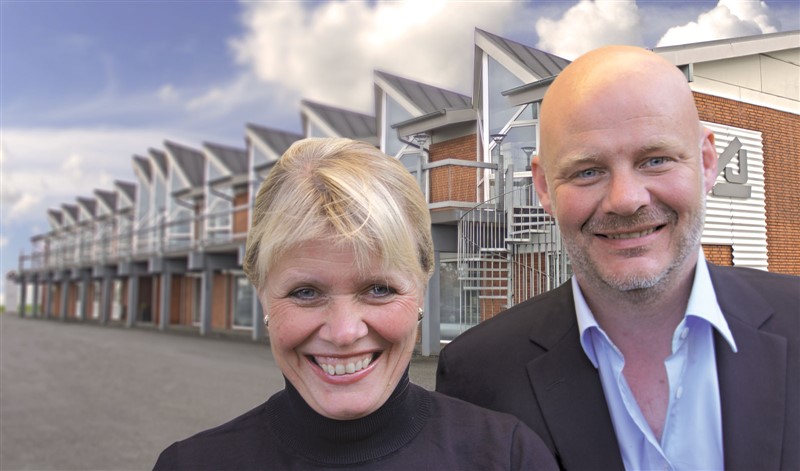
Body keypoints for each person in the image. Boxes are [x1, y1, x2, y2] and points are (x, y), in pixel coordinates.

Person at [436, 45, 799, 470]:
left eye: (656, 160)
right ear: (544, 186)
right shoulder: (477, 375)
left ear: (705, 162)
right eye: (588, 171)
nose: (626, 200)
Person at [154, 137, 558, 470]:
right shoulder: (189, 465)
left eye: (379, 289)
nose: (345, 332)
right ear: (261, 292)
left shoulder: (509, 458)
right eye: (306, 293)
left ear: (422, 287)